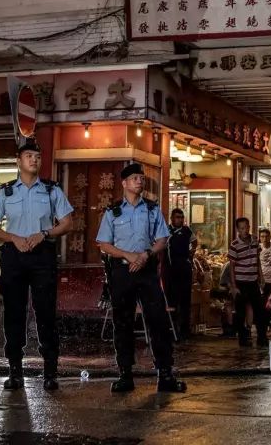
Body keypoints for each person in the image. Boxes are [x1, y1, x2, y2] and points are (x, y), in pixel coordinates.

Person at [0, 138, 74, 391]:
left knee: (46, 313)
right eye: (29, 156)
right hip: (14, 255)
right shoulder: (6, 191)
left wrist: (44, 233)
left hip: (42, 254)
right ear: (19, 161)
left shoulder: (50, 190)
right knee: (14, 313)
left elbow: (67, 222)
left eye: (37, 156)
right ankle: (15, 372)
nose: (34, 160)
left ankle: (50, 372)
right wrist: (12, 237)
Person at [96, 163, 186, 394]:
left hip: (146, 271)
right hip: (122, 272)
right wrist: (127, 254)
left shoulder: (152, 209)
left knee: (158, 321)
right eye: (135, 178)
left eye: (141, 178)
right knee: (122, 323)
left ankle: (165, 374)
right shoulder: (113, 211)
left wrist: (146, 254)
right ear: (124, 183)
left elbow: (162, 239)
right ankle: (125, 374)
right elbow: (103, 243)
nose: (139, 181)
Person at [228, 217, 268, 347]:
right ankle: (243, 339)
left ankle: (262, 338)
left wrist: (261, 277)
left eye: (246, 227)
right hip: (241, 282)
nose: (244, 231)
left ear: (249, 227)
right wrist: (234, 286)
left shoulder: (255, 241)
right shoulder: (234, 245)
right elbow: (232, 267)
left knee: (260, 310)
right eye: (241, 228)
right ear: (238, 229)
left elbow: (257, 260)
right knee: (240, 313)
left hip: (253, 282)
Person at [164, 208, 197, 340]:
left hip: (185, 267)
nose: (180, 219)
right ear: (172, 218)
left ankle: (185, 329)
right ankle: (172, 328)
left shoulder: (186, 231)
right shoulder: (167, 230)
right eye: (177, 217)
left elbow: (194, 242)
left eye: (182, 217)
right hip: (171, 269)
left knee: (185, 300)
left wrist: (192, 252)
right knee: (172, 298)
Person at [258, 228, 271, 330]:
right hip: (262, 282)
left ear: (270, 237)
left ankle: (269, 323)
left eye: (266, 236)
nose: (264, 238)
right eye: (262, 236)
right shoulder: (258, 249)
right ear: (260, 238)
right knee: (262, 305)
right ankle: (264, 326)